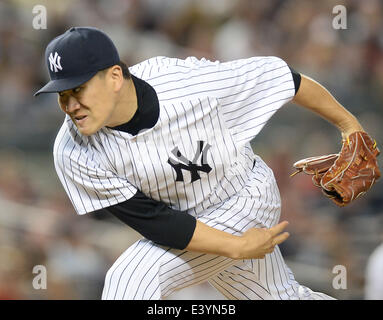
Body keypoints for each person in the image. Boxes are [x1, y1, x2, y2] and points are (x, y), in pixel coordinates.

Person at [35, 26, 365, 300]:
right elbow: (155, 222)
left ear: (115, 77)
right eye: (62, 94)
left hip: (244, 196)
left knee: (131, 278)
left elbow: (285, 79)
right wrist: (234, 246)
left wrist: (350, 127)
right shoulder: (72, 150)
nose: (70, 104)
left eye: (78, 89)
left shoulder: (191, 85)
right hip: (190, 224)